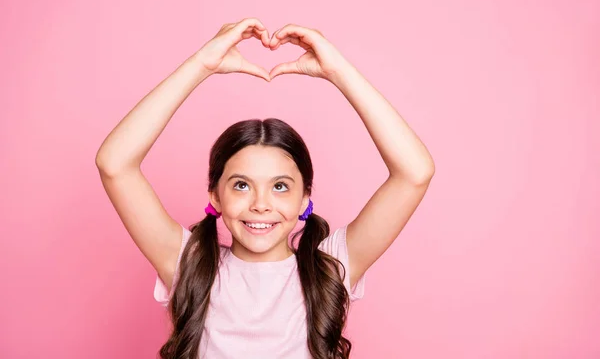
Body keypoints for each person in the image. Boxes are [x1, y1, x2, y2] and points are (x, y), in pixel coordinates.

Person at [95, 18, 435, 359]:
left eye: (280, 187)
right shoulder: (190, 266)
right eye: (241, 185)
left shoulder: (330, 268)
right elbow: (114, 164)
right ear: (214, 195)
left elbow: (415, 172)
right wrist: (201, 65)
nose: (261, 204)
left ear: (305, 197)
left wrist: (339, 72)